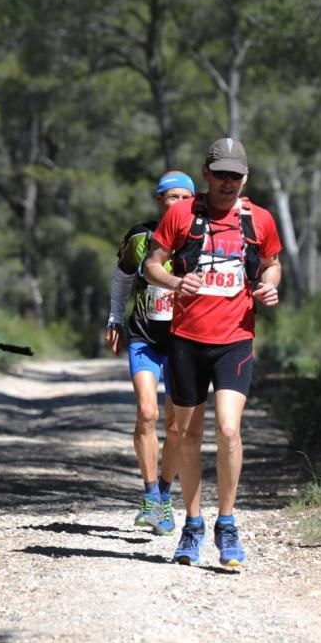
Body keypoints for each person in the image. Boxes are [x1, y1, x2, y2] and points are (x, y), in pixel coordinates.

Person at [143, 138, 282, 567]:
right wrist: (173, 282)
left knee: (227, 431)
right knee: (184, 434)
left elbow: (273, 262)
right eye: (220, 174)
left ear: (246, 177)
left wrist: (271, 285)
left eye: (235, 176)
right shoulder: (181, 214)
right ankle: (192, 524)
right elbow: (152, 262)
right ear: (206, 174)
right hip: (187, 339)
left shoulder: (259, 220)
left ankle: (227, 523)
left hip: (235, 340)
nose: (227, 182)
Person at [105, 171, 195, 536]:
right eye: (169, 198)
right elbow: (122, 278)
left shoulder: (200, 239)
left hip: (185, 340)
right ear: (159, 201)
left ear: (192, 201)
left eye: (182, 198)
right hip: (144, 335)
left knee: (176, 427)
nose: (175, 204)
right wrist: (114, 318)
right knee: (146, 411)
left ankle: (166, 495)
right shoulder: (141, 238)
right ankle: (149, 496)